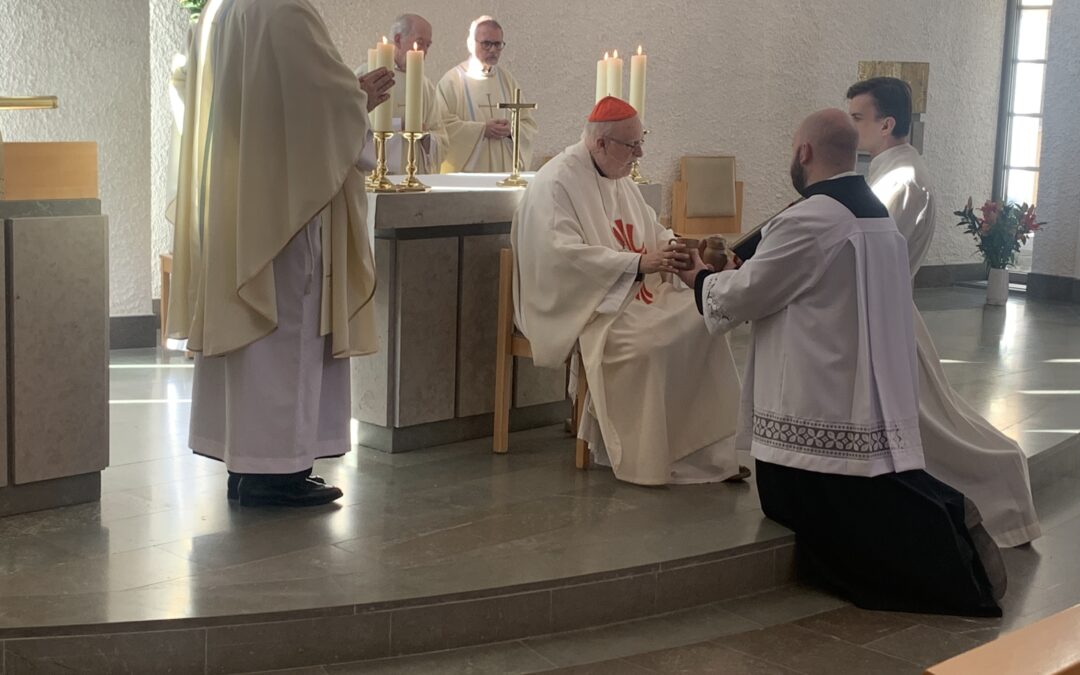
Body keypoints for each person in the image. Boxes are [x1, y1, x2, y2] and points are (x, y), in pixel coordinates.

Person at [679, 109, 1004, 616]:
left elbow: (744, 297)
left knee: (808, 504)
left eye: (792, 147)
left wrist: (700, 279)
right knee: (871, 491)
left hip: (813, 408)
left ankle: (952, 558)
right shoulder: (873, 212)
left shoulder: (811, 218)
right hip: (861, 397)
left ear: (804, 152)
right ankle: (950, 518)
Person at [167, 0, 393, 507]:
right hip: (284, 206)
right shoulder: (283, 11)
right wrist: (358, 98)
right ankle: (277, 472)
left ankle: (246, 463)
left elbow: (209, 94)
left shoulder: (219, 12)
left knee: (250, 337)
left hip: (236, 196)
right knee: (286, 333)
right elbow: (316, 109)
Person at [511, 96, 744, 486]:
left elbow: (656, 235)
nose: (640, 153)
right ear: (600, 143)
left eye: (641, 141)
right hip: (591, 305)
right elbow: (559, 257)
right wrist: (636, 265)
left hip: (635, 296)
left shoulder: (620, 179)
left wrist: (689, 255)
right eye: (631, 144)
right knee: (651, 346)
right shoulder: (556, 183)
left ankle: (701, 453)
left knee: (705, 320)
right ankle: (649, 456)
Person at [848, 77, 1040, 547]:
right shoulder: (888, 170)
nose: (849, 128)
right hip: (879, 313)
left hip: (884, 316)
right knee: (918, 423)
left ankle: (1000, 496)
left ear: (887, 123)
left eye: (857, 119)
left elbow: (872, 255)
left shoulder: (902, 178)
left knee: (932, 431)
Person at [436, 16, 537, 173]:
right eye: (486, 44)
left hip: (505, 172)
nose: (493, 50)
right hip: (468, 176)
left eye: (498, 44)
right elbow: (441, 126)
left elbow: (527, 124)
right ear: (470, 44)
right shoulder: (452, 81)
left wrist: (511, 130)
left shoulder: (507, 80)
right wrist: (482, 130)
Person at [355, 13, 447, 174]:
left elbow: (441, 138)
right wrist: (399, 127)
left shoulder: (424, 85)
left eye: (428, 45)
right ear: (398, 39)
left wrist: (425, 136)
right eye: (420, 43)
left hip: (415, 177)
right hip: (374, 177)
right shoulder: (368, 77)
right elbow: (352, 128)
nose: (424, 51)